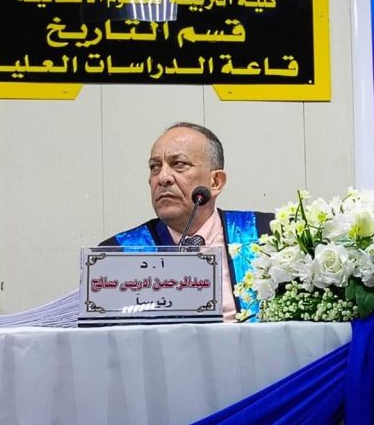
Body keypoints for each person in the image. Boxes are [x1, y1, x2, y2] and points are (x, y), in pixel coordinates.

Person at [101, 122, 270, 321]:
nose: (163, 177)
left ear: (215, 182)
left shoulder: (268, 236)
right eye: (155, 167)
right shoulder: (116, 255)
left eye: (179, 164)